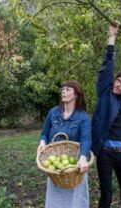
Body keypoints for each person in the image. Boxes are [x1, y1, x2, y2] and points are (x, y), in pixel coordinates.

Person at [91, 23, 121, 208]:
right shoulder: (105, 92)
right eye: (118, 80)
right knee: (107, 195)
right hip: (105, 153)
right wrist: (112, 38)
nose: (117, 85)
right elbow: (107, 66)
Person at [37, 80, 92, 208]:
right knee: (55, 201)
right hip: (55, 169)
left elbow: (86, 139)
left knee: (74, 202)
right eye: (63, 89)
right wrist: (42, 142)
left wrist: (83, 158)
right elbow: (44, 133)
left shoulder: (83, 117)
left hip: (74, 169)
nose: (63, 91)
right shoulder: (53, 112)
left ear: (76, 95)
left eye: (68, 89)